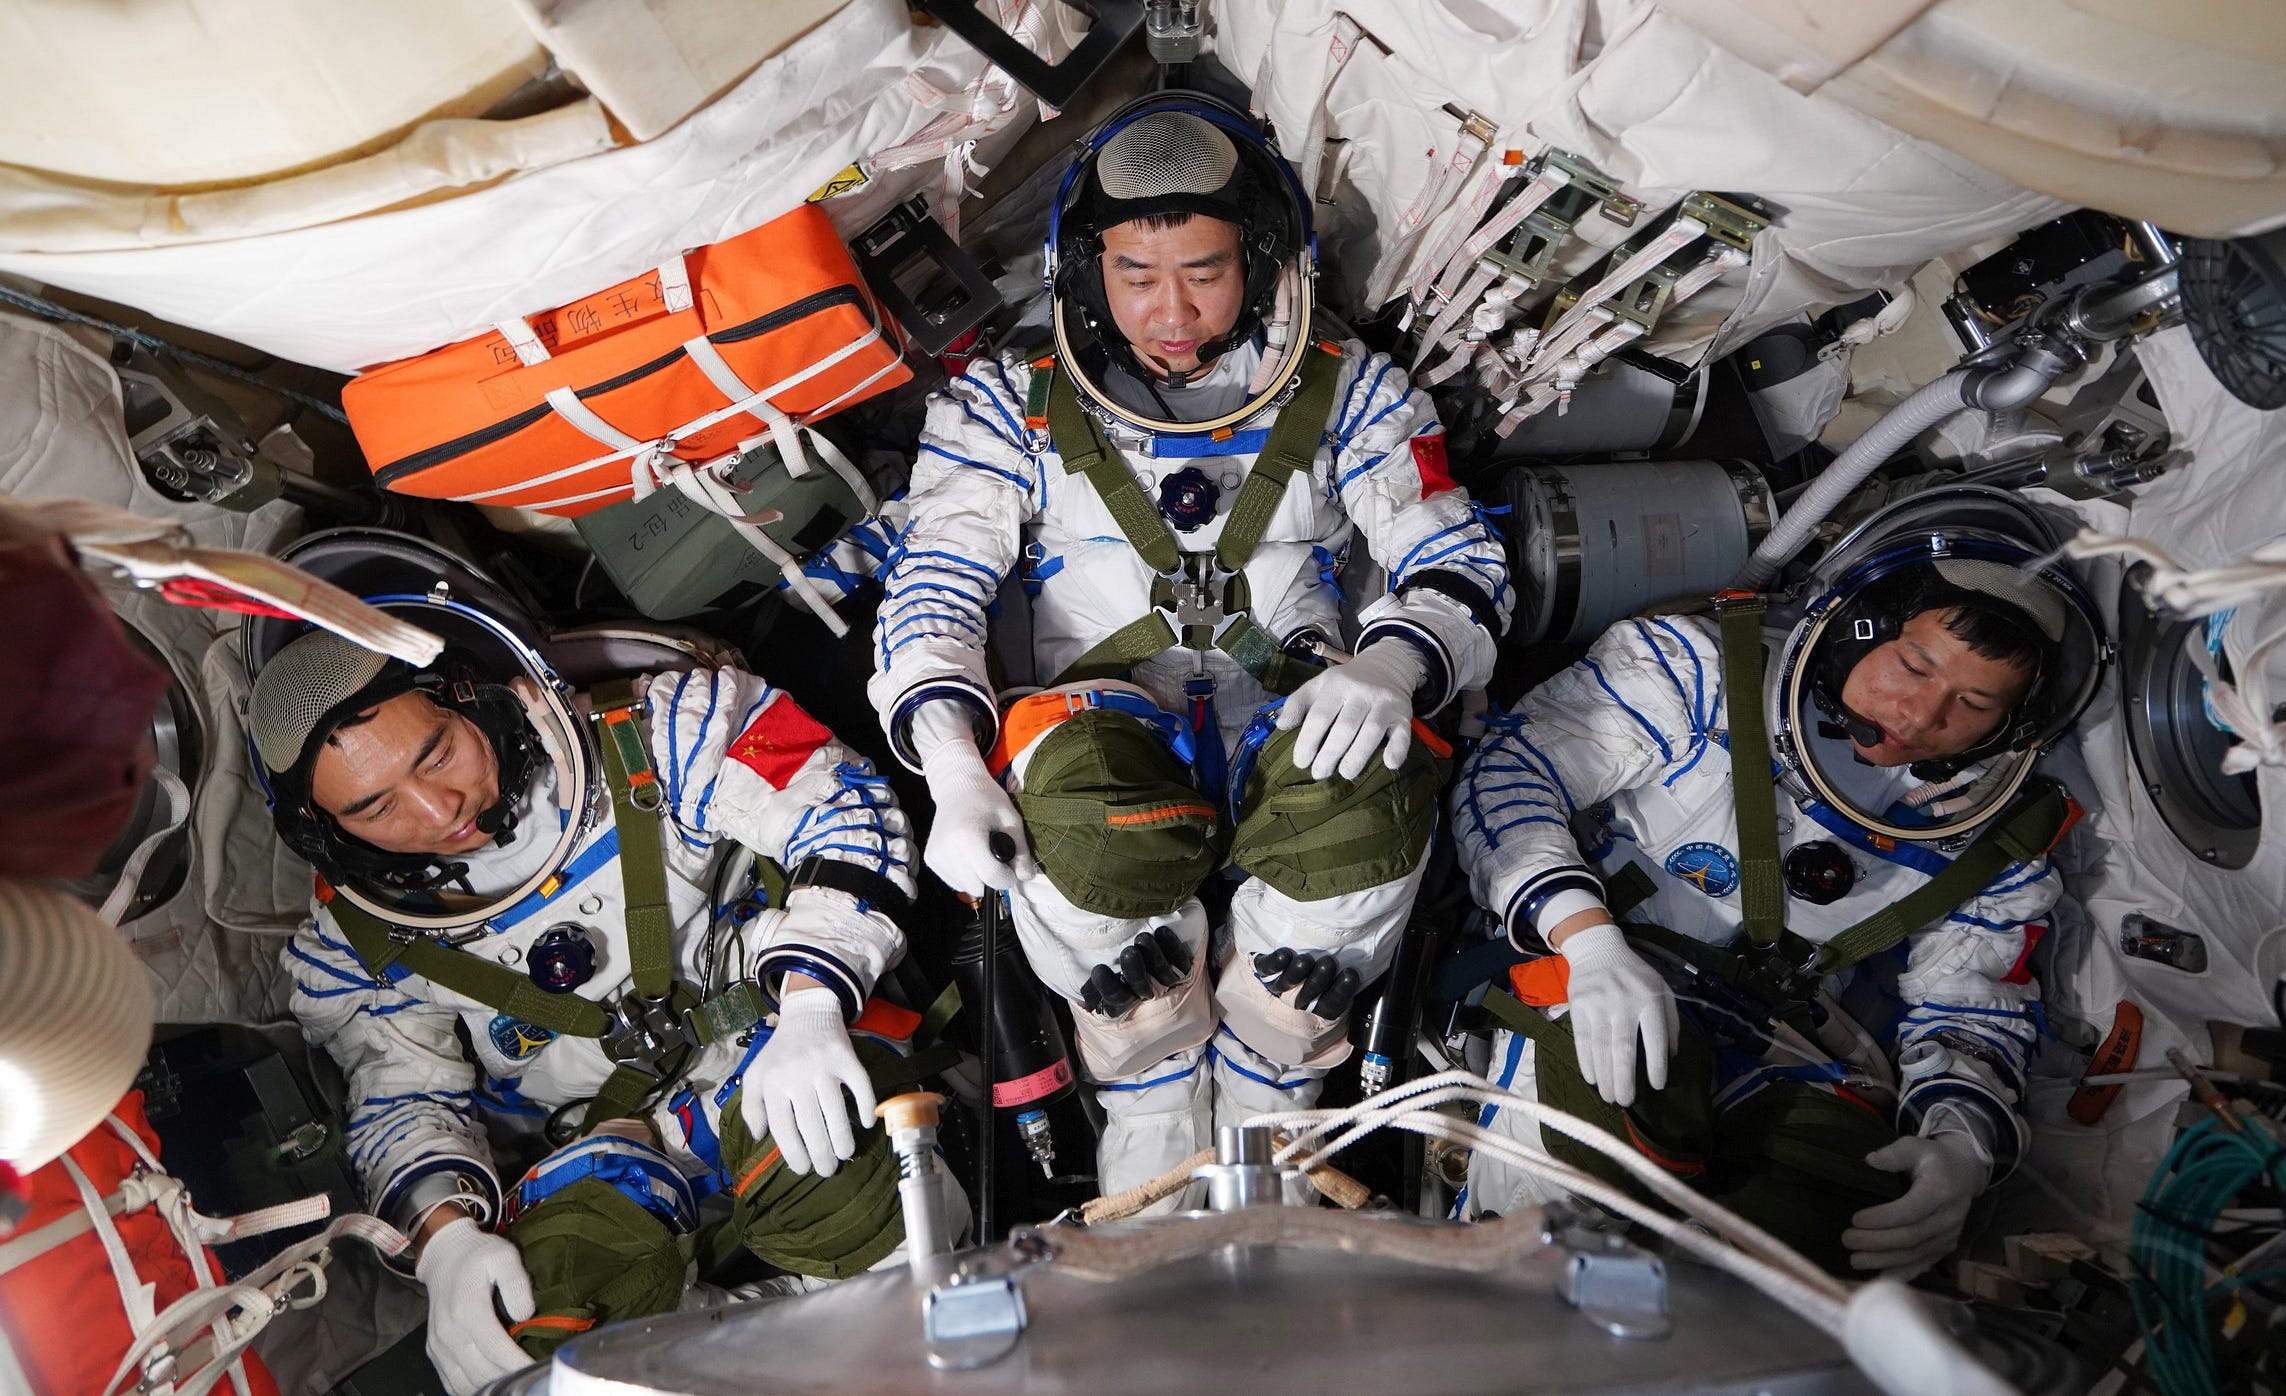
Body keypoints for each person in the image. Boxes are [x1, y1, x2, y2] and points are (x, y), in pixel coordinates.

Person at [867, 93, 1512, 1194]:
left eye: (1206, 272)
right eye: (1135, 276)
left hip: (1300, 730)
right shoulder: (1004, 408)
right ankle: (1148, 1106)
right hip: (1103, 758)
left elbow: (1459, 557)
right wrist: (953, 767)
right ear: (1083, 272)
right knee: (1083, 823)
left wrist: (1392, 664)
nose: (1172, 312)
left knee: (1369, 779)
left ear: (1262, 263)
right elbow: (936, 585)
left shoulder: (1353, 394)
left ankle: (1277, 1080)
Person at [258, 625, 930, 1394]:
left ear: (472, 697)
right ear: (328, 830)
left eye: (437, 753)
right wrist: (444, 1242)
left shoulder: (663, 732)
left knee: (857, 1203)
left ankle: (864, 1322)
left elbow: (841, 810)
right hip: (601, 1162)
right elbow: (399, 1096)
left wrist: (813, 1004)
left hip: (776, 1061)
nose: (436, 809)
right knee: (530, 1335)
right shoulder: (359, 941)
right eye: (377, 808)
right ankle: (766, 1344)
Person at [1450, 490, 2106, 1276]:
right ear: (1857, 626)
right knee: (1597, 1172)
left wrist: (1960, 1143)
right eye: (1914, 663)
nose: (1924, 714)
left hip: (1786, 1048)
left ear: (2011, 724)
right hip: (1599, 981)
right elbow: (1513, 773)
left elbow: (1968, 1007)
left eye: (1973, 702)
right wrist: (1584, 939)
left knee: (1854, 1217)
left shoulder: (1993, 845)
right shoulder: (1697, 674)